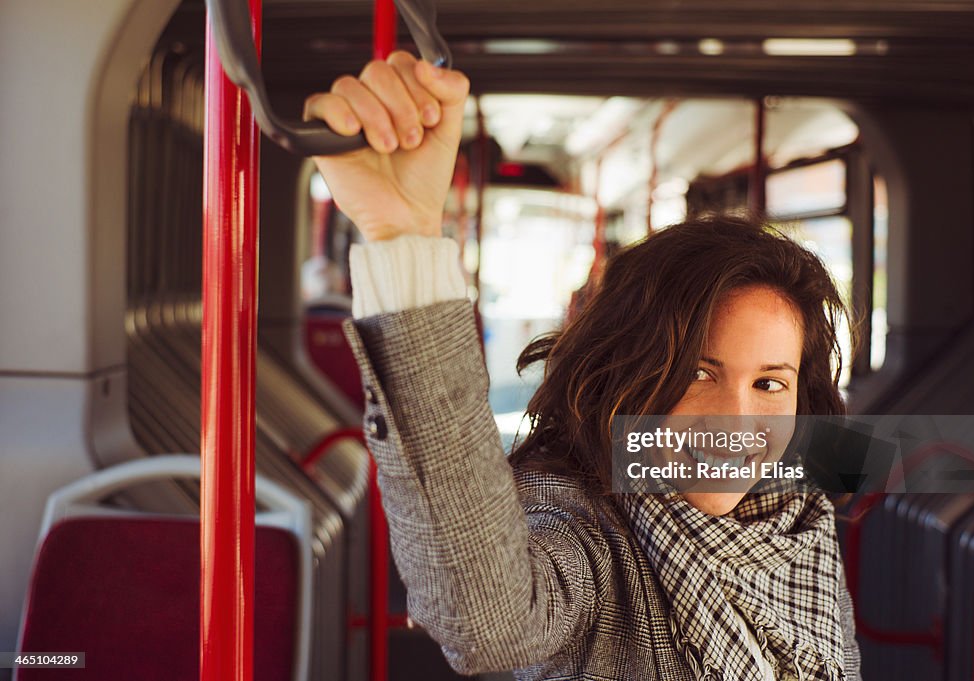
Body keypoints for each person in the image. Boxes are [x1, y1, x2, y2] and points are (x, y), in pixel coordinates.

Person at [305, 51, 862, 681]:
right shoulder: (588, 535)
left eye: (769, 383)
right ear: (628, 380)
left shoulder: (798, 527)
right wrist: (403, 235)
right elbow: (489, 623)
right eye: (699, 373)